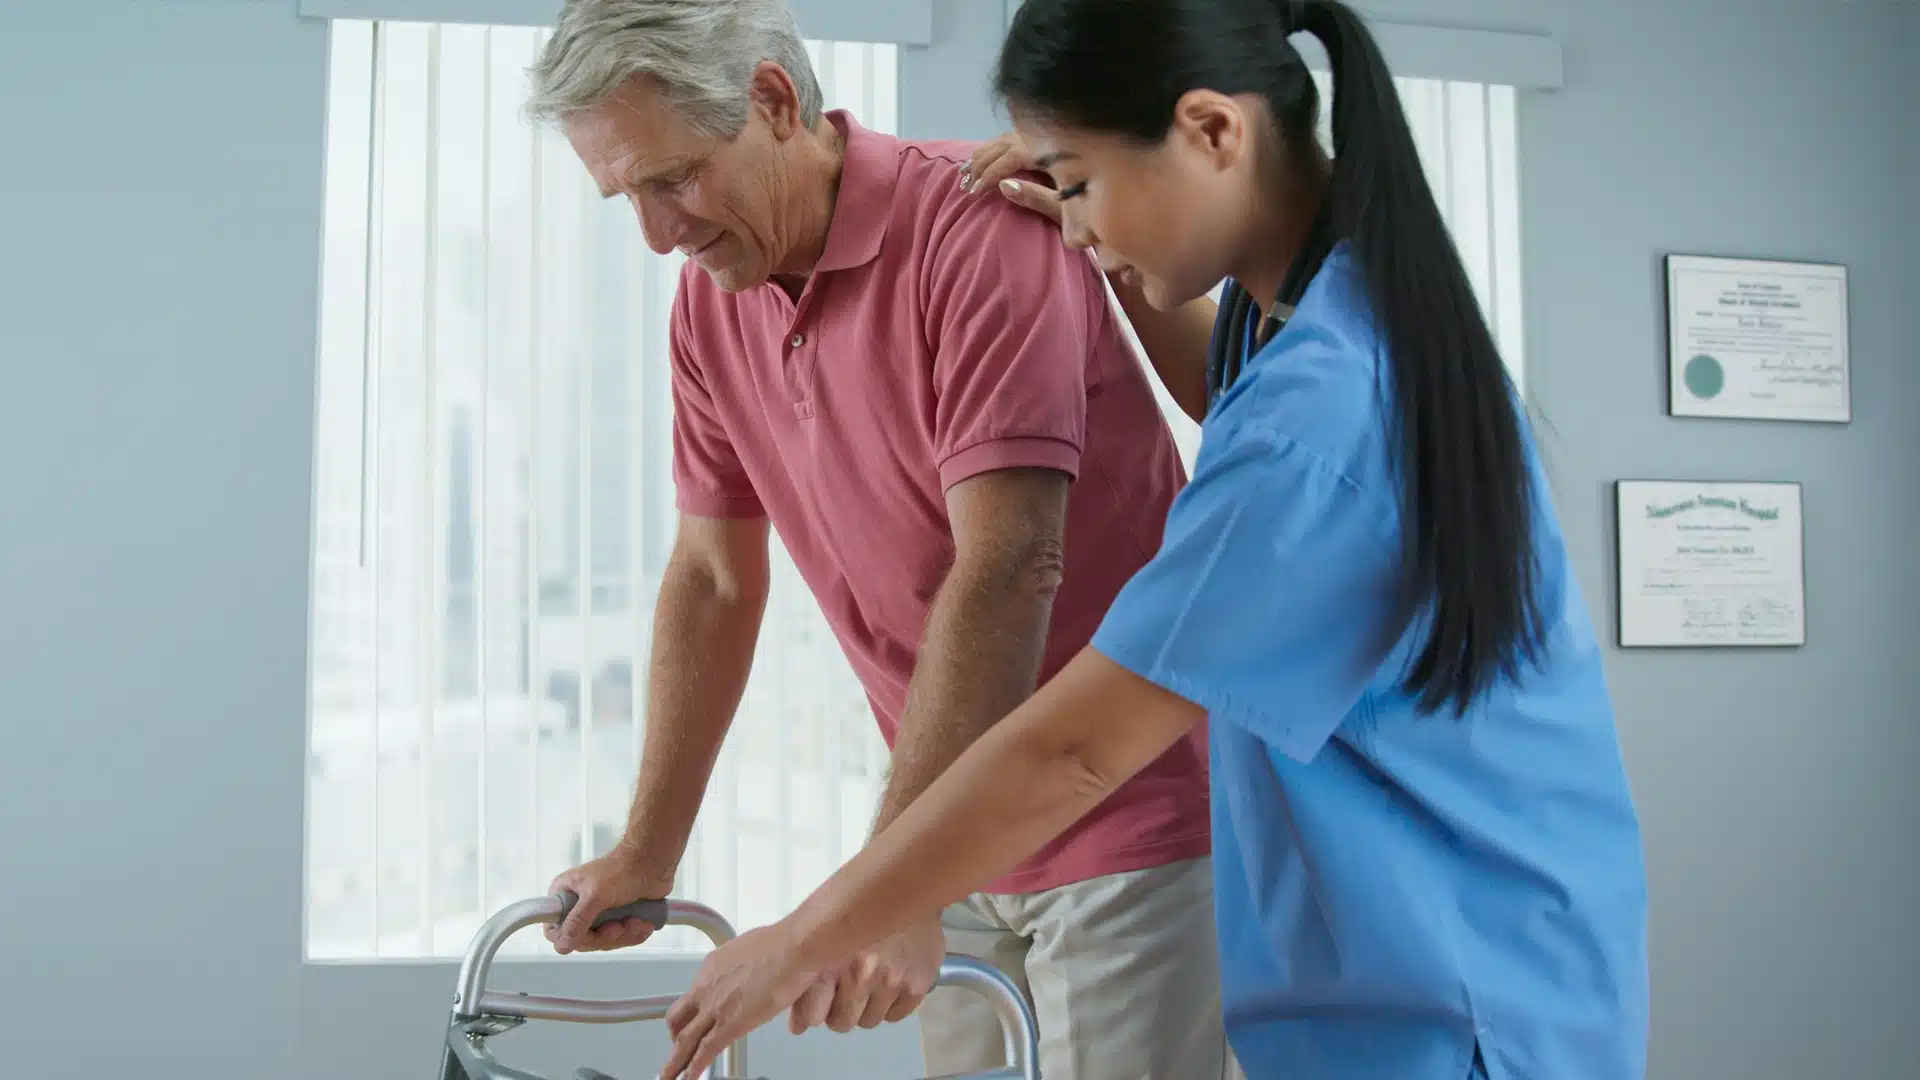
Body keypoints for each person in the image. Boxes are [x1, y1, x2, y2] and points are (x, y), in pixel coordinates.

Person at [657, 1, 1652, 1079]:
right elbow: (1222, 398)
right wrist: (1109, 246)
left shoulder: (1324, 422)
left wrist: (810, 935)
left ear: (1214, 133)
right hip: (1417, 971)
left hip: (1453, 1000)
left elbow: (1075, 748)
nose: (1074, 229)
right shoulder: (1312, 315)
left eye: (1078, 182)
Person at [522, 2, 1242, 1077]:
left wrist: (904, 879)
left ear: (772, 99)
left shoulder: (975, 228)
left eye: (672, 179)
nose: (659, 232)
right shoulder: (710, 307)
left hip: (1124, 812)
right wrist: (648, 850)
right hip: (952, 819)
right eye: (627, 197)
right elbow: (715, 581)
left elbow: (1006, 567)